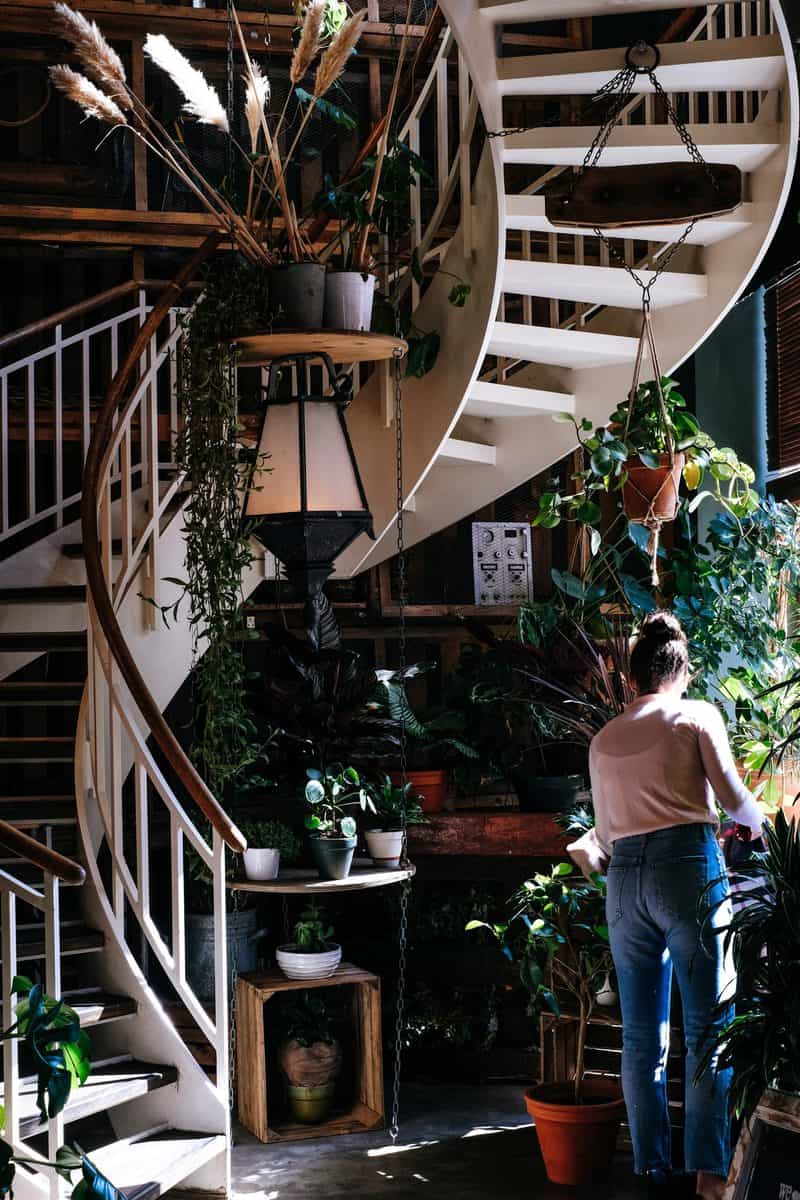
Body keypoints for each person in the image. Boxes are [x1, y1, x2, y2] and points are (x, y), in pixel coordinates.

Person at [580, 611, 764, 1199]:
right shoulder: (695, 715)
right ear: (681, 670)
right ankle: (709, 1175)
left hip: (624, 882)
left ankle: (650, 1169)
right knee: (708, 1029)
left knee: (640, 1034)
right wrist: (770, 826)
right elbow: (735, 802)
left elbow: (605, 835)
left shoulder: (603, 739)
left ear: (632, 677)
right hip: (686, 869)